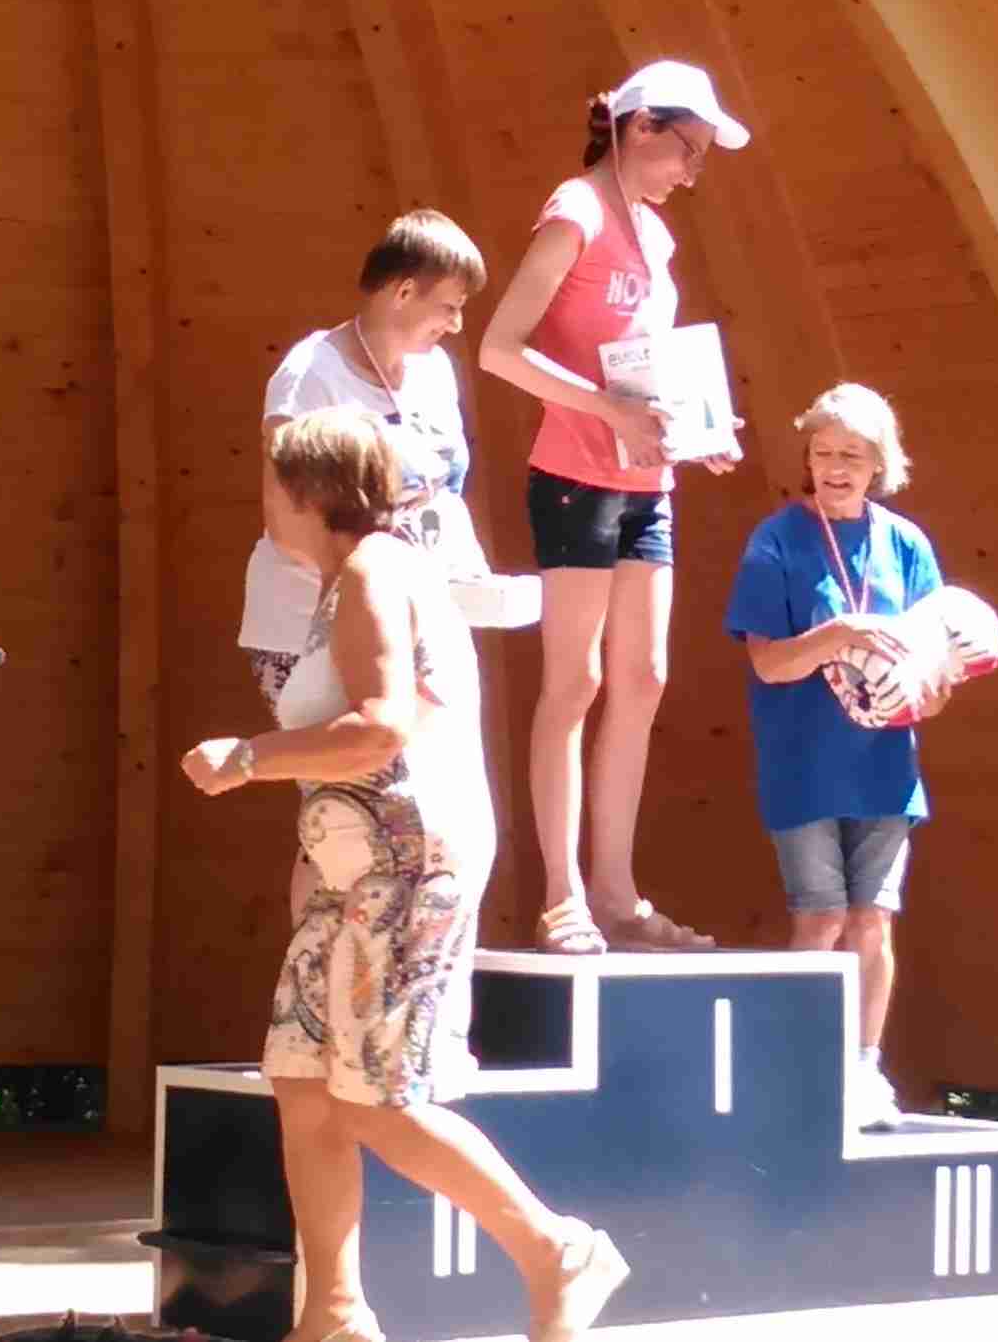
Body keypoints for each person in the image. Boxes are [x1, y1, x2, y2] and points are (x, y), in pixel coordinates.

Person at [183, 409, 628, 1342]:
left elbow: (381, 727)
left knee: (381, 1101)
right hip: (352, 873)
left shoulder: (376, 573)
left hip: (405, 868)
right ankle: (334, 1317)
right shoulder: (354, 577)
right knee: (304, 1083)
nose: (262, 496)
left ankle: (556, 1251)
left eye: (271, 479)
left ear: (308, 490)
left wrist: (247, 757)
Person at [477, 60, 749, 955]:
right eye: (686, 150)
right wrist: (608, 413)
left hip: (647, 482)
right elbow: (498, 349)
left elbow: (647, 364)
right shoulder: (576, 211)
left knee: (645, 678)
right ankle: (562, 897)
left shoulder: (655, 236)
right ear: (640, 127)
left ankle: (617, 894)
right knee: (576, 681)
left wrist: (696, 430)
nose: (691, 173)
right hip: (575, 475)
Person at [724, 384, 947, 1130]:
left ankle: (863, 1068)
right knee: (819, 917)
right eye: (822, 453)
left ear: (881, 462)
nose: (835, 468)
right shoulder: (777, 540)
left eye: (851, 454)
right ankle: (803, 1068)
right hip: (802, 762)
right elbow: (768, 663)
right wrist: (841, 634)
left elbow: (936, 666)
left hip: (885, 766)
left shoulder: (906, 544)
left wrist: (920, 690)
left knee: (872, 918)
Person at [239, 209, 490, 711]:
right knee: (360, 761)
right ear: (403, 292)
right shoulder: (310, 374)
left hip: (409, 619)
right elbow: (286, 519)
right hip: (310, 626)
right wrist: (365, 591)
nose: (456, 324)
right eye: (449, 306)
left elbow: (444, 493)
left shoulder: (435, 370)